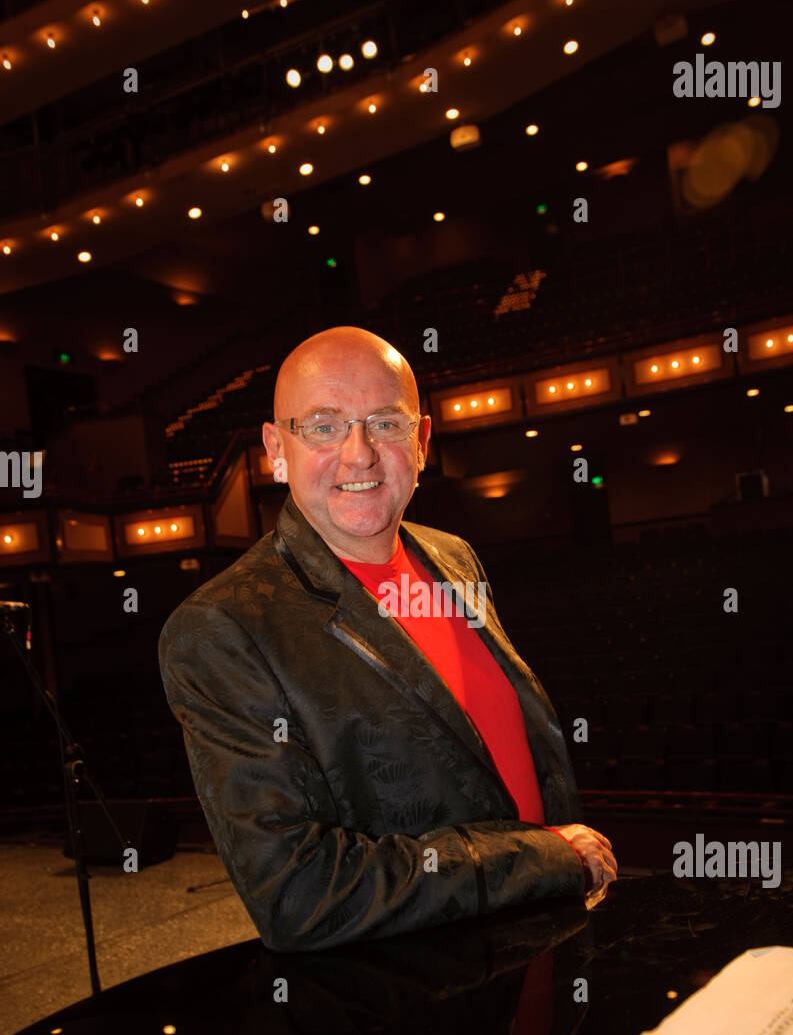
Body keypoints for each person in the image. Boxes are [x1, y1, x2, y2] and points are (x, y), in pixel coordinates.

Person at [158, 326, 617, 951]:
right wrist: (543, 859)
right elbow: (297, 894)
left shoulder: (453, 557)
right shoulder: (221, 628)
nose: (359, 454)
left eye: (385, 423)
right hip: (414, 996)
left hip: (538, 945)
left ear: (421, 440)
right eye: (323, 425)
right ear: (276, 448)